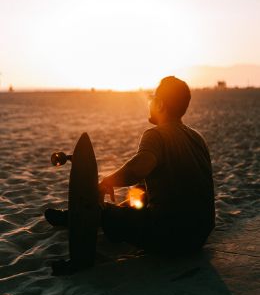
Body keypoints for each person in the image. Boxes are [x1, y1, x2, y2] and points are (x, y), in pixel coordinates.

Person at [45, 76, 215, 271]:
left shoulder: (156, 134)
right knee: (141, 190)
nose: (150, 102)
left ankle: (86, 215)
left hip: (169, 237)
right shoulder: (197, 138)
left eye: (152, 97)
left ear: (160, 104)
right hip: (199, 236)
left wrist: (109, 181)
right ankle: (85, 214)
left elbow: (139, 166)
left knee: (112, 215)